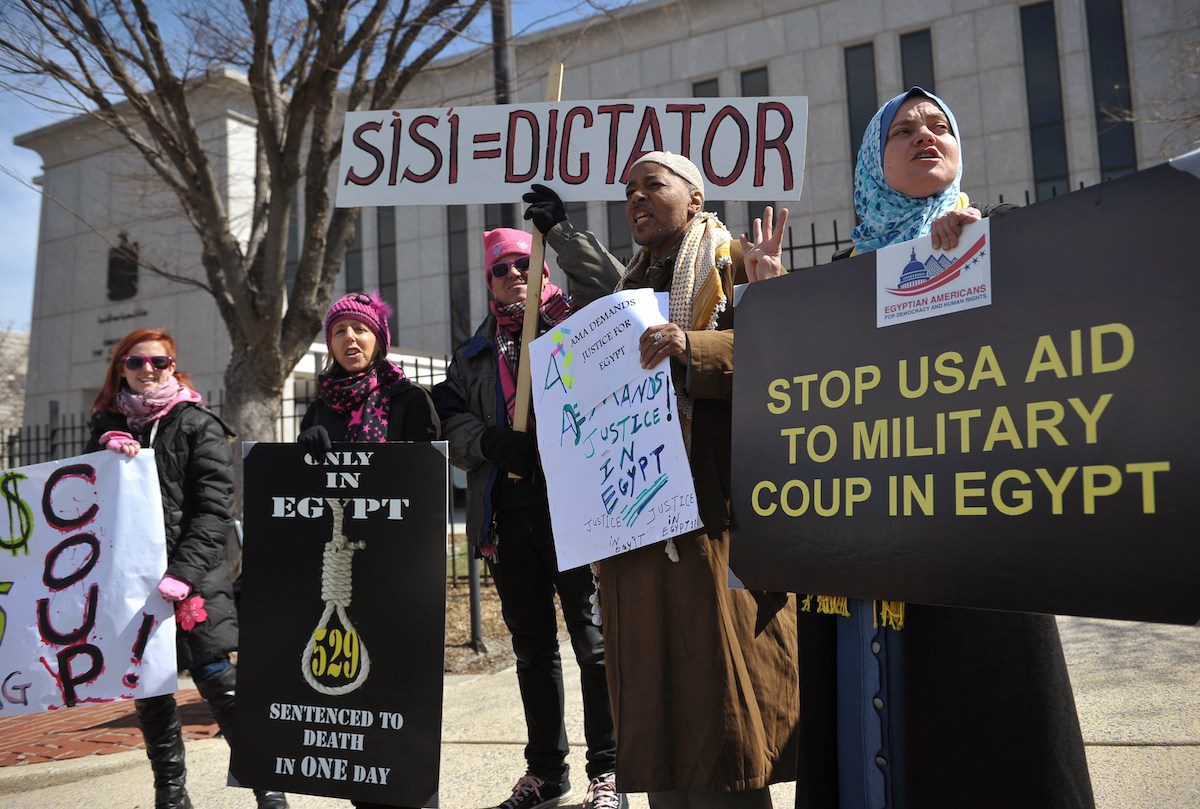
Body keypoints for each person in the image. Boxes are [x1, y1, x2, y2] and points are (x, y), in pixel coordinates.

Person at [751, 87, 1094, 809]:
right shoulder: (842, 275)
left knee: (976, 740)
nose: (925, 136)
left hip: (970, 550)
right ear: (876, 165)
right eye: (904, 130)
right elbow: (808, 408)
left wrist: (985, 266)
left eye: (940, 126)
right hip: (863, 558)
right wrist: (779, 306)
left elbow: (1056, 363)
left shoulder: (996, 239)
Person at [524, 154, 800, 809]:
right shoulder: (633, 285)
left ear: (696, 198)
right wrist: (560, 232)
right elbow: (602, 303)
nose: (637, 197)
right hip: (640, 543)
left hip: (714, 529)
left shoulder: (732, 262)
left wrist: (691, 348)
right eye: (628, 190)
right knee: (664, 748)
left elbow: (784, 359)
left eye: (654, 184)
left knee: (724, 739)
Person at [432, 228, 624, 809]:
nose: (514, 274)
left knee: (592, 643)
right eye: (501, 269)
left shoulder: (577, 320)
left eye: (524, 264)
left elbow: (614, 284)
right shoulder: (472, 354)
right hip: (508, 517)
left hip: (576, 509)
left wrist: (561, 235)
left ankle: (608, 770)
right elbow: (450, 420)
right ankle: (546, 771)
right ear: (487, 281)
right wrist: (489, 442)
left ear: (542, 271)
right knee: (533, 649)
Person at [86, 328, 287, 809]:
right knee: (150, 693)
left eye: (159, 361)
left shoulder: (198, 423)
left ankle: (270, 791)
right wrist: (101, 455)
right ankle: (171, 797)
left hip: (194, 581)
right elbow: (88, 505)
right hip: (131, 584)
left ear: (173, 365)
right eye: (136, 361)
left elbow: (214, 509)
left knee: (221, 683)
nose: (148, 369)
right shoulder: (106, 426)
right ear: (121, 367)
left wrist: (184, 572)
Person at [296, 291, 439, 809]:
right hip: (344, 575)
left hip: (398, 574)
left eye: (360, 328)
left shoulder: (408, 400)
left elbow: (428, 486)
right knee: (356, 704)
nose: (349, 339)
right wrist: (305, 457)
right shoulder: (318, 406)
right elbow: (305, 499)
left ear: (378, 338)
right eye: (339, 331)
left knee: (401, 703)